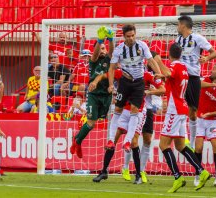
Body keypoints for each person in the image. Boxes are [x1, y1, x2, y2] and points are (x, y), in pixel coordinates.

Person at [93, 67, 165, 184]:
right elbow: (106, 74)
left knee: (134, 142)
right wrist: (97, 82)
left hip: (139, 111)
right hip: (124, 110)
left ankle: (138, 175)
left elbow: (163, 89)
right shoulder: (121, 72)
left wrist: (148, 92)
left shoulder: (146, 75)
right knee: (114, 138)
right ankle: (103, 171)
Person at [154, 44, 211, 193]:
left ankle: (178, 177)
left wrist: (159, 62)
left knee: (163, 145)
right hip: (182, 108)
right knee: (180, 146)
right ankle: (201, 171)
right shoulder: (184, 67)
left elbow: (169, 73)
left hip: (175, 109)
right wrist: (163, 75)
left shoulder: (174, 66)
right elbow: (173, 79)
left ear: (169, 54)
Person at [108, 24, 162, 153]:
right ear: (124, 36)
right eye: (128, 36)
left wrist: (158, 74)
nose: (131, 38)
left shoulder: (142, 46)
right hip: (125, 82)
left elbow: (151, 61)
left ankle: (127, 141)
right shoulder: (119, 50)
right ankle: (110, 140)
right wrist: (111, 84)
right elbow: (111, 68)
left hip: (139, 82)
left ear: (135, 34)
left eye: (133, 35)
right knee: (118, 108)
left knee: (135, 110)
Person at [70, 26, 115, 158]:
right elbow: (95, 54)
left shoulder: (109, 59)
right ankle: (77, 142)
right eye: (100, 48)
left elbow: (111, 52)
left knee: (95, 122)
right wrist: (100, 40)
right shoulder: (93, 60)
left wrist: (111, 40)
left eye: (104, 48)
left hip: (106, 96)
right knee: (91, 122)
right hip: (94, 95)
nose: (103, 50)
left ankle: (76, 139)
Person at [175, 15, 216, 150]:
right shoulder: (178, 40)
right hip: (180, 77)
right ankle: (186, 137)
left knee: (193, 110)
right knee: (180, 109)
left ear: (183, 25)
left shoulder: (197, 38)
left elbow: (214, 53)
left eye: (178, 24)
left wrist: (206, 58)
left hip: (193, 77)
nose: (177, 27)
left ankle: (192, 141)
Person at [122, 52, 165, 184]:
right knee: (133, 139)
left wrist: (150, 91)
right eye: (153, 60)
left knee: (147, 140)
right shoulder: (136, 72)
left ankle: (142, 170)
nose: (155, 62)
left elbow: (163, 90)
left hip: (149, 110)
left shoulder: (155, 75)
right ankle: (125, 168)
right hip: (135, 109)